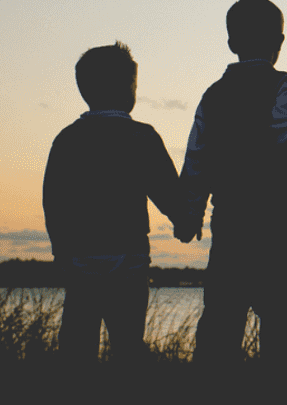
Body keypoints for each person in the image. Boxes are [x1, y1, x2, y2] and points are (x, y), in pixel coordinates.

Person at [178, 0, 287, 367]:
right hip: (273, 217)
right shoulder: (284, 84)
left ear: (232, 43)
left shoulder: (213, 95)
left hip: (229, 217)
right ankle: (278, 385)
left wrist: (189, 213)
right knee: (275, 316)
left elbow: (197, 159)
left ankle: (211, 383)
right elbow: (285, 135)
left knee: (222, 313)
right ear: (280, 42)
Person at [43, 41, 185, 365]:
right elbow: (166, 190)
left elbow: (53, 200)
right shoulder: (142, 136)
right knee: (127, 342)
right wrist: (184, 219)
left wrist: (60, 250)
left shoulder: (67, 139)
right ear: (129, 88)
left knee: (78, 344)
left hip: (80, 258)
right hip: (129, 258)